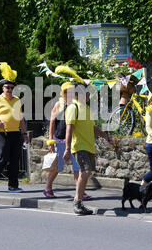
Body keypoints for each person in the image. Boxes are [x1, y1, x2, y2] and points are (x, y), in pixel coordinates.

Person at [63, 83, 116, 215]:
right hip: (79, 146)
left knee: (86, 173)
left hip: (89, 146)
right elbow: (69, 128)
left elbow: (93, 128)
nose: (88, 94)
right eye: (85, 92)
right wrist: (67, 148)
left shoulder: (85, 108)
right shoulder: (73, 107)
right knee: (85, 171)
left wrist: (105, 136)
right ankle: (77, 201)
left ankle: (79, 201)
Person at [44, 82, 91, 200]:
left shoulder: (75, 105)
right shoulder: (59, 104)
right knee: (57, 167)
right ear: (63, 93)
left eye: (70, 92)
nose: (68, 94)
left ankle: (80, 192)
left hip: (73, 140)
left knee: (77, 167)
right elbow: (52, 122)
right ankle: (48, 188)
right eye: (66, 92)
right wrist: (51, 140)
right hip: (60, 139)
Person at [0, 62, 28, 193]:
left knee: (15, 159)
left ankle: (13, 186)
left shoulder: (17, 100)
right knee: (3, 157)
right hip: (2, 132)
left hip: (15, 133)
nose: (9, 90)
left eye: (11, 87)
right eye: (7, 87)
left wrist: (24, 133)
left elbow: (20, 117)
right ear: (3, 88)